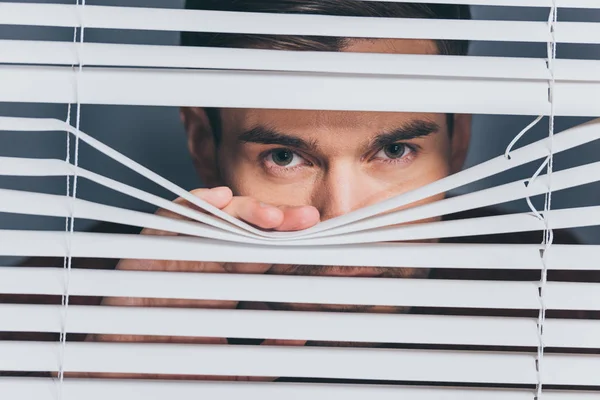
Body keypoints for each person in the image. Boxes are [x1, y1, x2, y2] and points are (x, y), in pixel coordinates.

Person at [7, 0, 581, 382]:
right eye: (284, 157)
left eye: (396, 150)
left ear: (459, 143)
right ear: (204, 144)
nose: (344, 221)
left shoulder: (561, 307)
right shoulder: (55, 315)